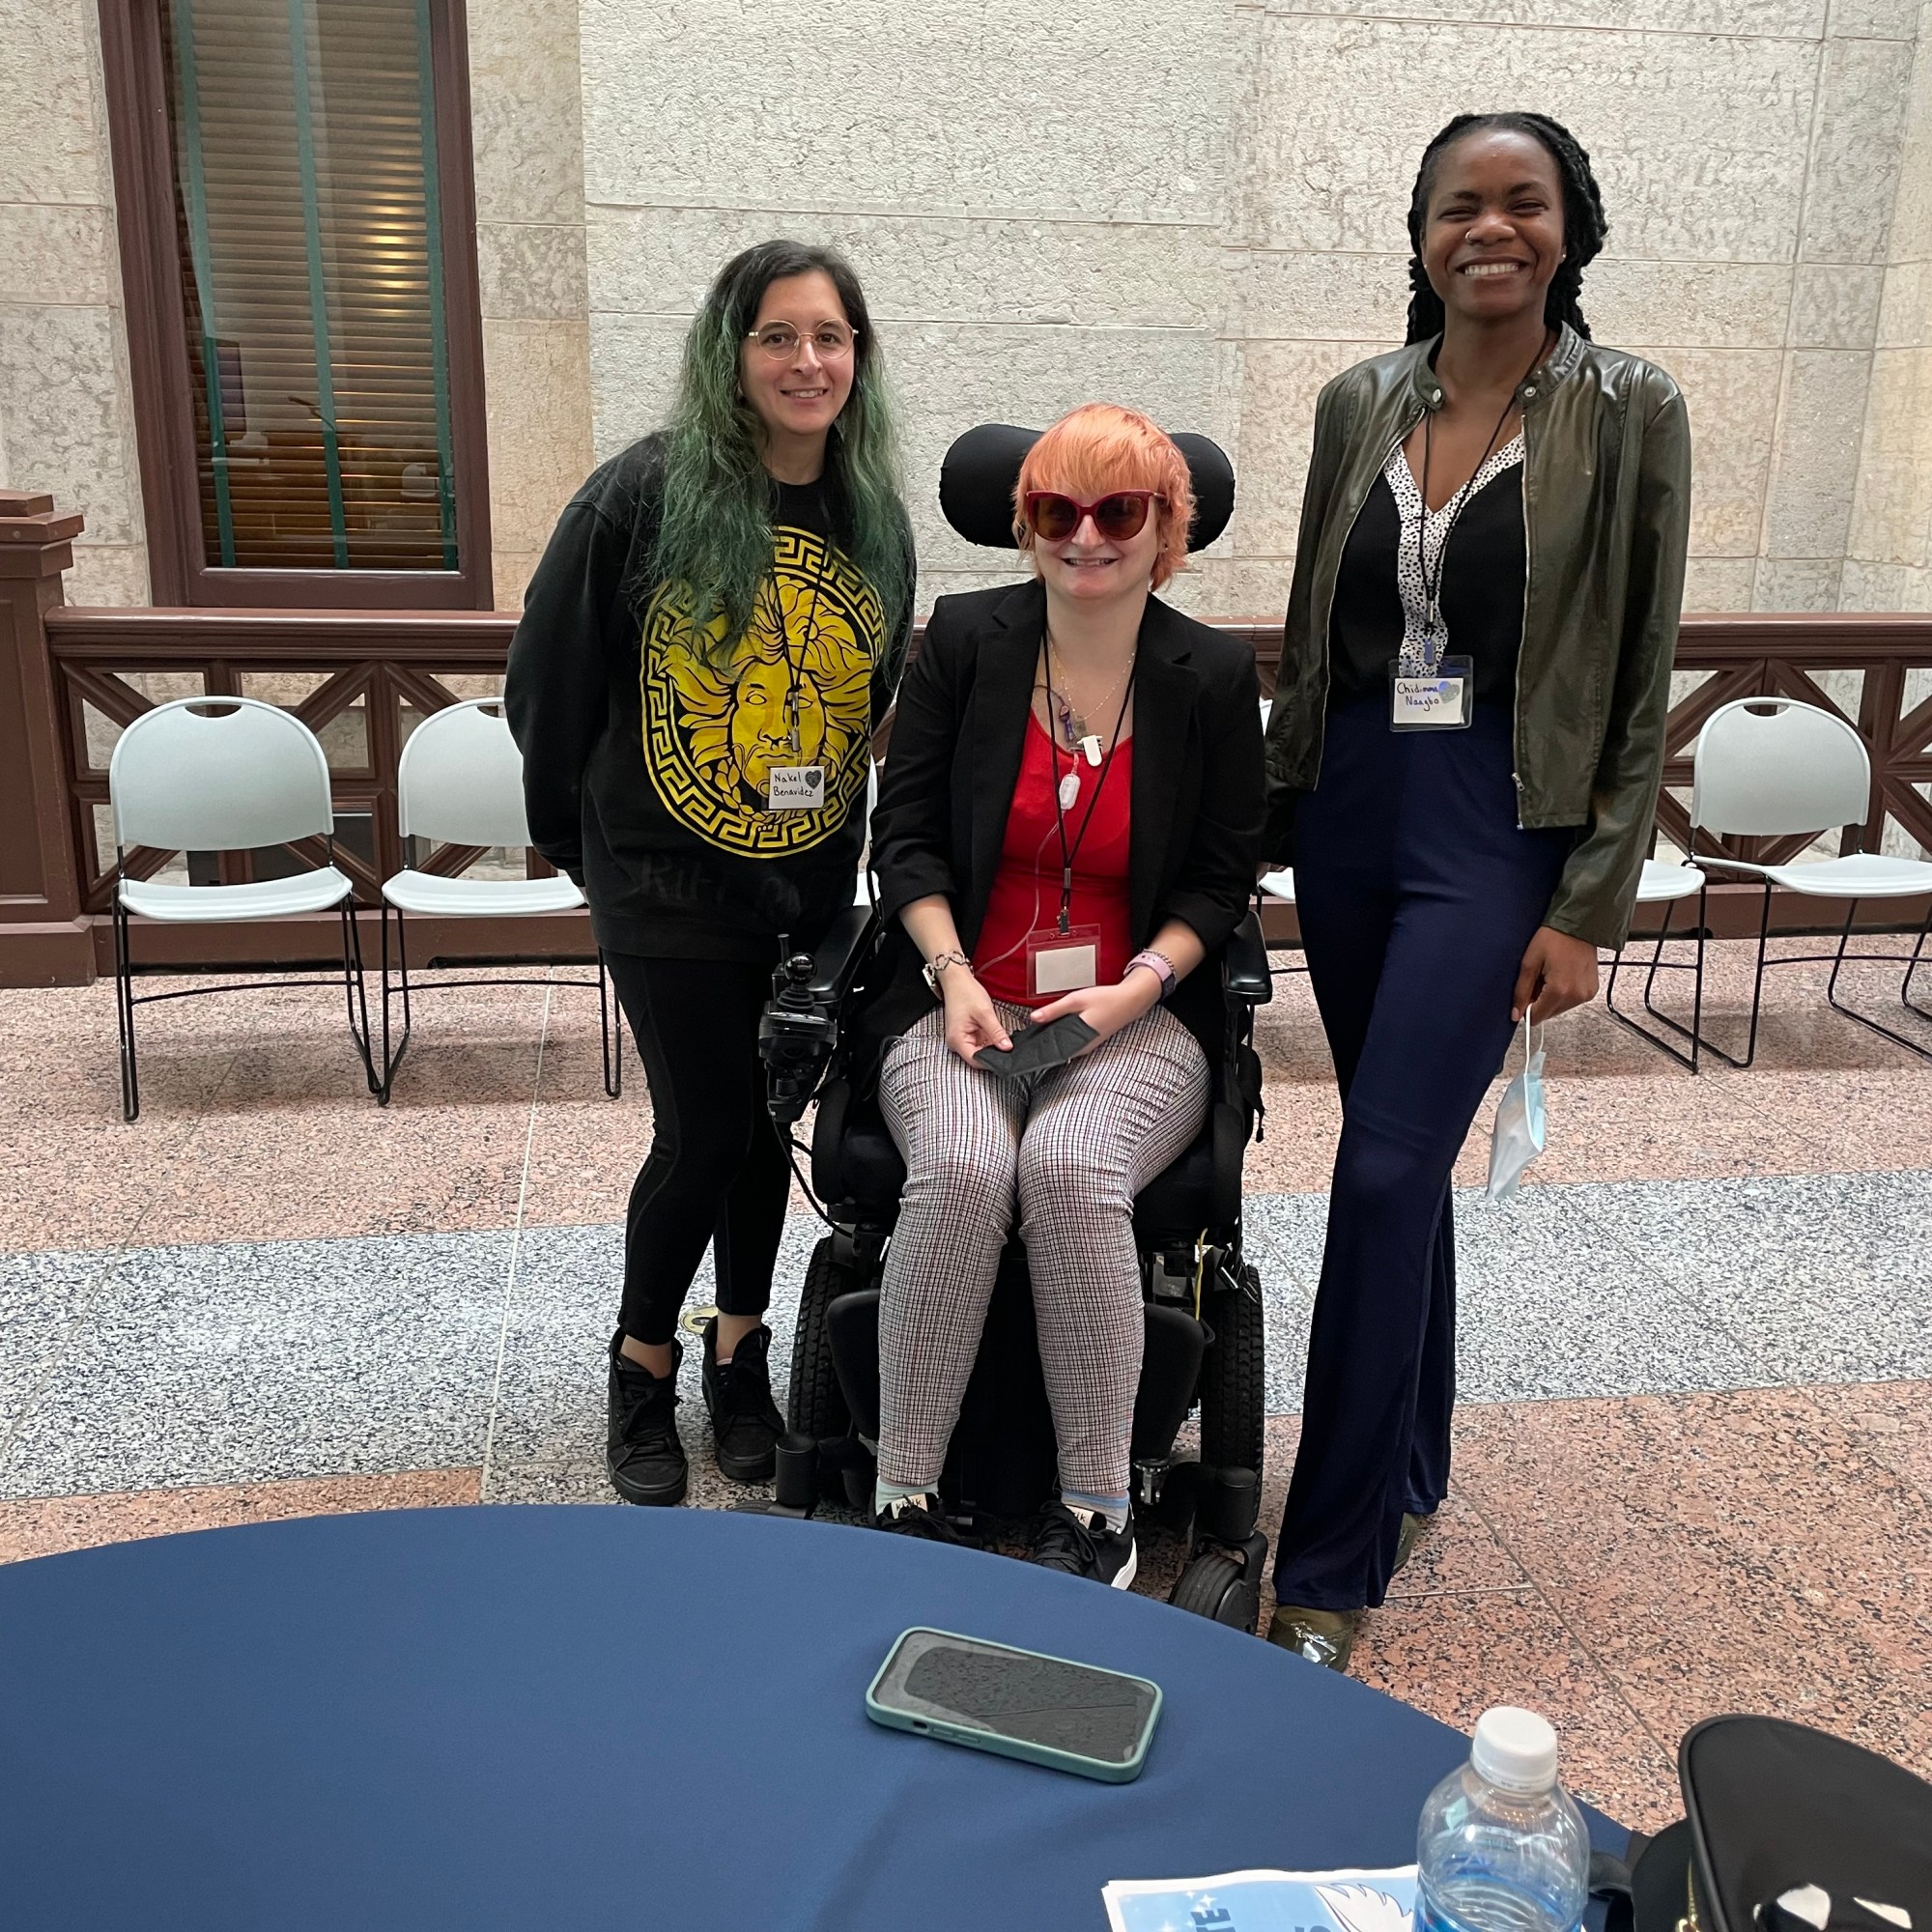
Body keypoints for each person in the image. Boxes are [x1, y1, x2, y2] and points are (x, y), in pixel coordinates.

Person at [1260, 113, 1691, 1666]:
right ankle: (1414, 1467)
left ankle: (1328, 1564)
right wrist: (1272, 810)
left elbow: (1641, 670)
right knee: (1404, 1151)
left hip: (1498, 820)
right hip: (1353, 804)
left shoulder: (1629, 407)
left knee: (1378, 1173)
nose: (1489, 229)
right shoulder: (1356, 402)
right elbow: (1319, 631)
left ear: (1571, 226)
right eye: (1460, 207)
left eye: (1524, 204)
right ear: (1421, 232)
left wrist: (1591, 899)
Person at [506, 241, 915, 1507]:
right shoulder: (639, 496)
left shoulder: (869, 516)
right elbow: (547, 690)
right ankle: (641, 1364)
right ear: (728, 354)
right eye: (779, 336)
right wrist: (593, 858)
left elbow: (871, 691)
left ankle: (742, 1358)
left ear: (859, 358)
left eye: (830, 337)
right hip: (664, 884)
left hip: (804, 884)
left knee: (761, 1136)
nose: (808, 361)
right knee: (704, 1131)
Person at [864, 404, 1263, 1587]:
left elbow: (1219, 876)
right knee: (968, 1166)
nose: (1086, 537)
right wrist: (947, 974)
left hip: (1132, 1015)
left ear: (1165, 527)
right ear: (1024, 522)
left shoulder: (1210, 673)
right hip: (962, 997)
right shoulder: (965, 643)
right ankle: (904, 1491)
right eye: (1055, 511)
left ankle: (1095, 1512)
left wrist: (1133, 990)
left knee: (1071, 1168)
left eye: (1119, 511)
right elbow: (909, 835)